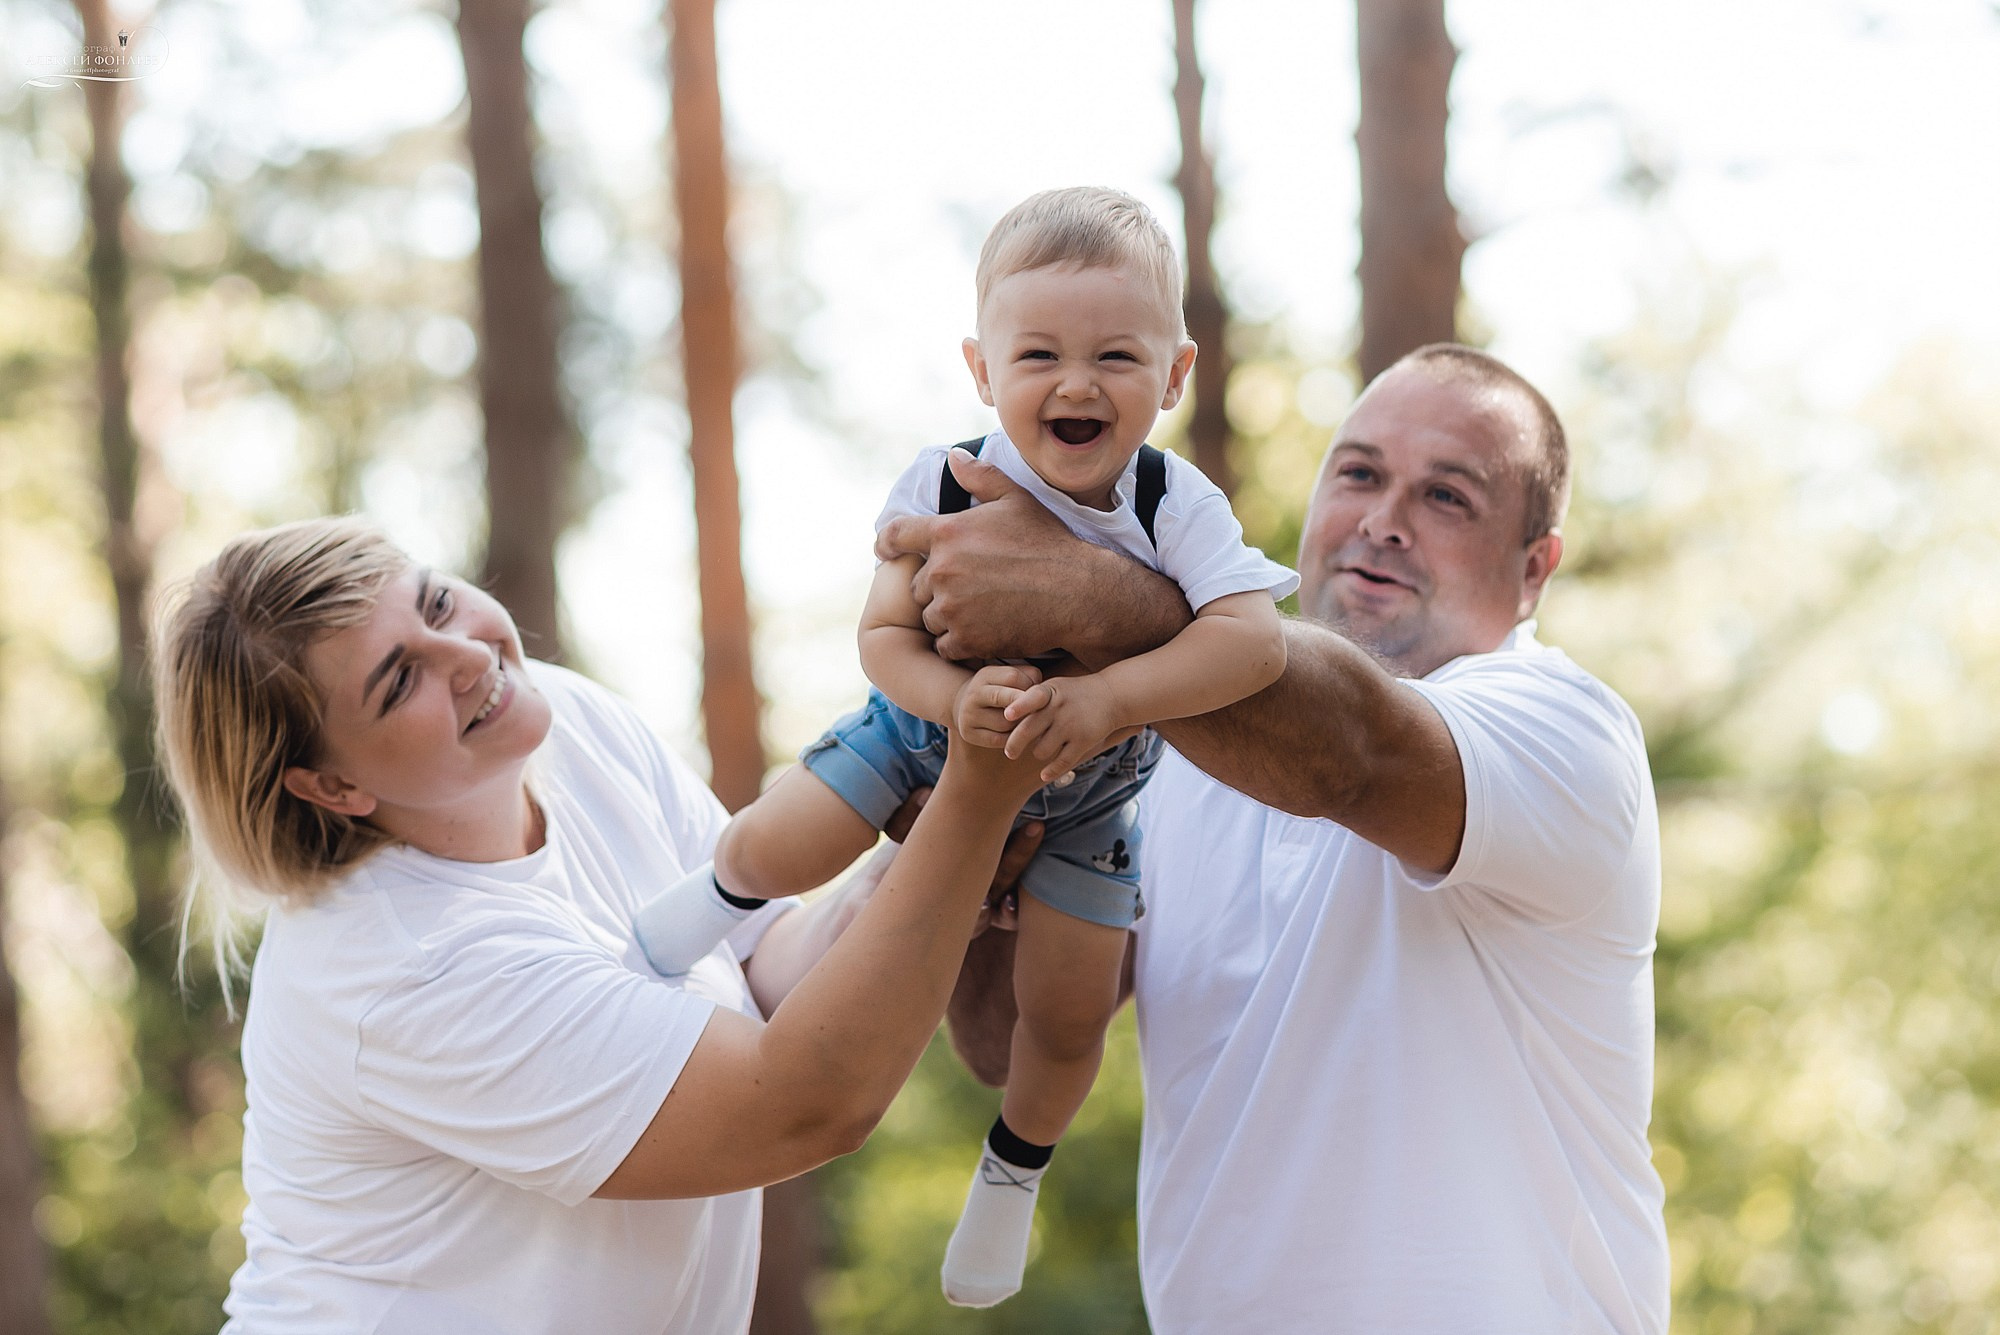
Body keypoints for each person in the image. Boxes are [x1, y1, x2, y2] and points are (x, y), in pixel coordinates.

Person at [890, 344, 1671, 1333]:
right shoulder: (1159, 759)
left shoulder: (1562, 730)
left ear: (1532, 569)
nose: (1381, 520)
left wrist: (1080, 593)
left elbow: (1352, 750)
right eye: (1357, 474)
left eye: (1445, 498)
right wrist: (985, 848)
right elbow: (1001, 1037)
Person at [631, 186, 1297, 1308]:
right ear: (983, 372)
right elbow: (881, 639)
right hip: (920, 739)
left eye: (1114, 357)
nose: (1075, 384)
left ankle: (1012, 1170)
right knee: (788, 837)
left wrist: (1112, 697)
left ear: (1174, 375)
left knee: (1070, 1010)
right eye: (1037, 354)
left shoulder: (1169, 502)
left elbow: (1255, 643)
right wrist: (949, 697)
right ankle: (698, 909)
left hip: (1088, 796)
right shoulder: (938, 481)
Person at [151, 516, 1053, 1335]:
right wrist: (980, 786)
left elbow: (761, 965)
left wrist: (923, 863)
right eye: (400, 681)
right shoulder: (405, 966)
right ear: (333, 786)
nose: (466, 654)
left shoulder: (557, 722)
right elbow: (801, 1104)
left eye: (435, 602)